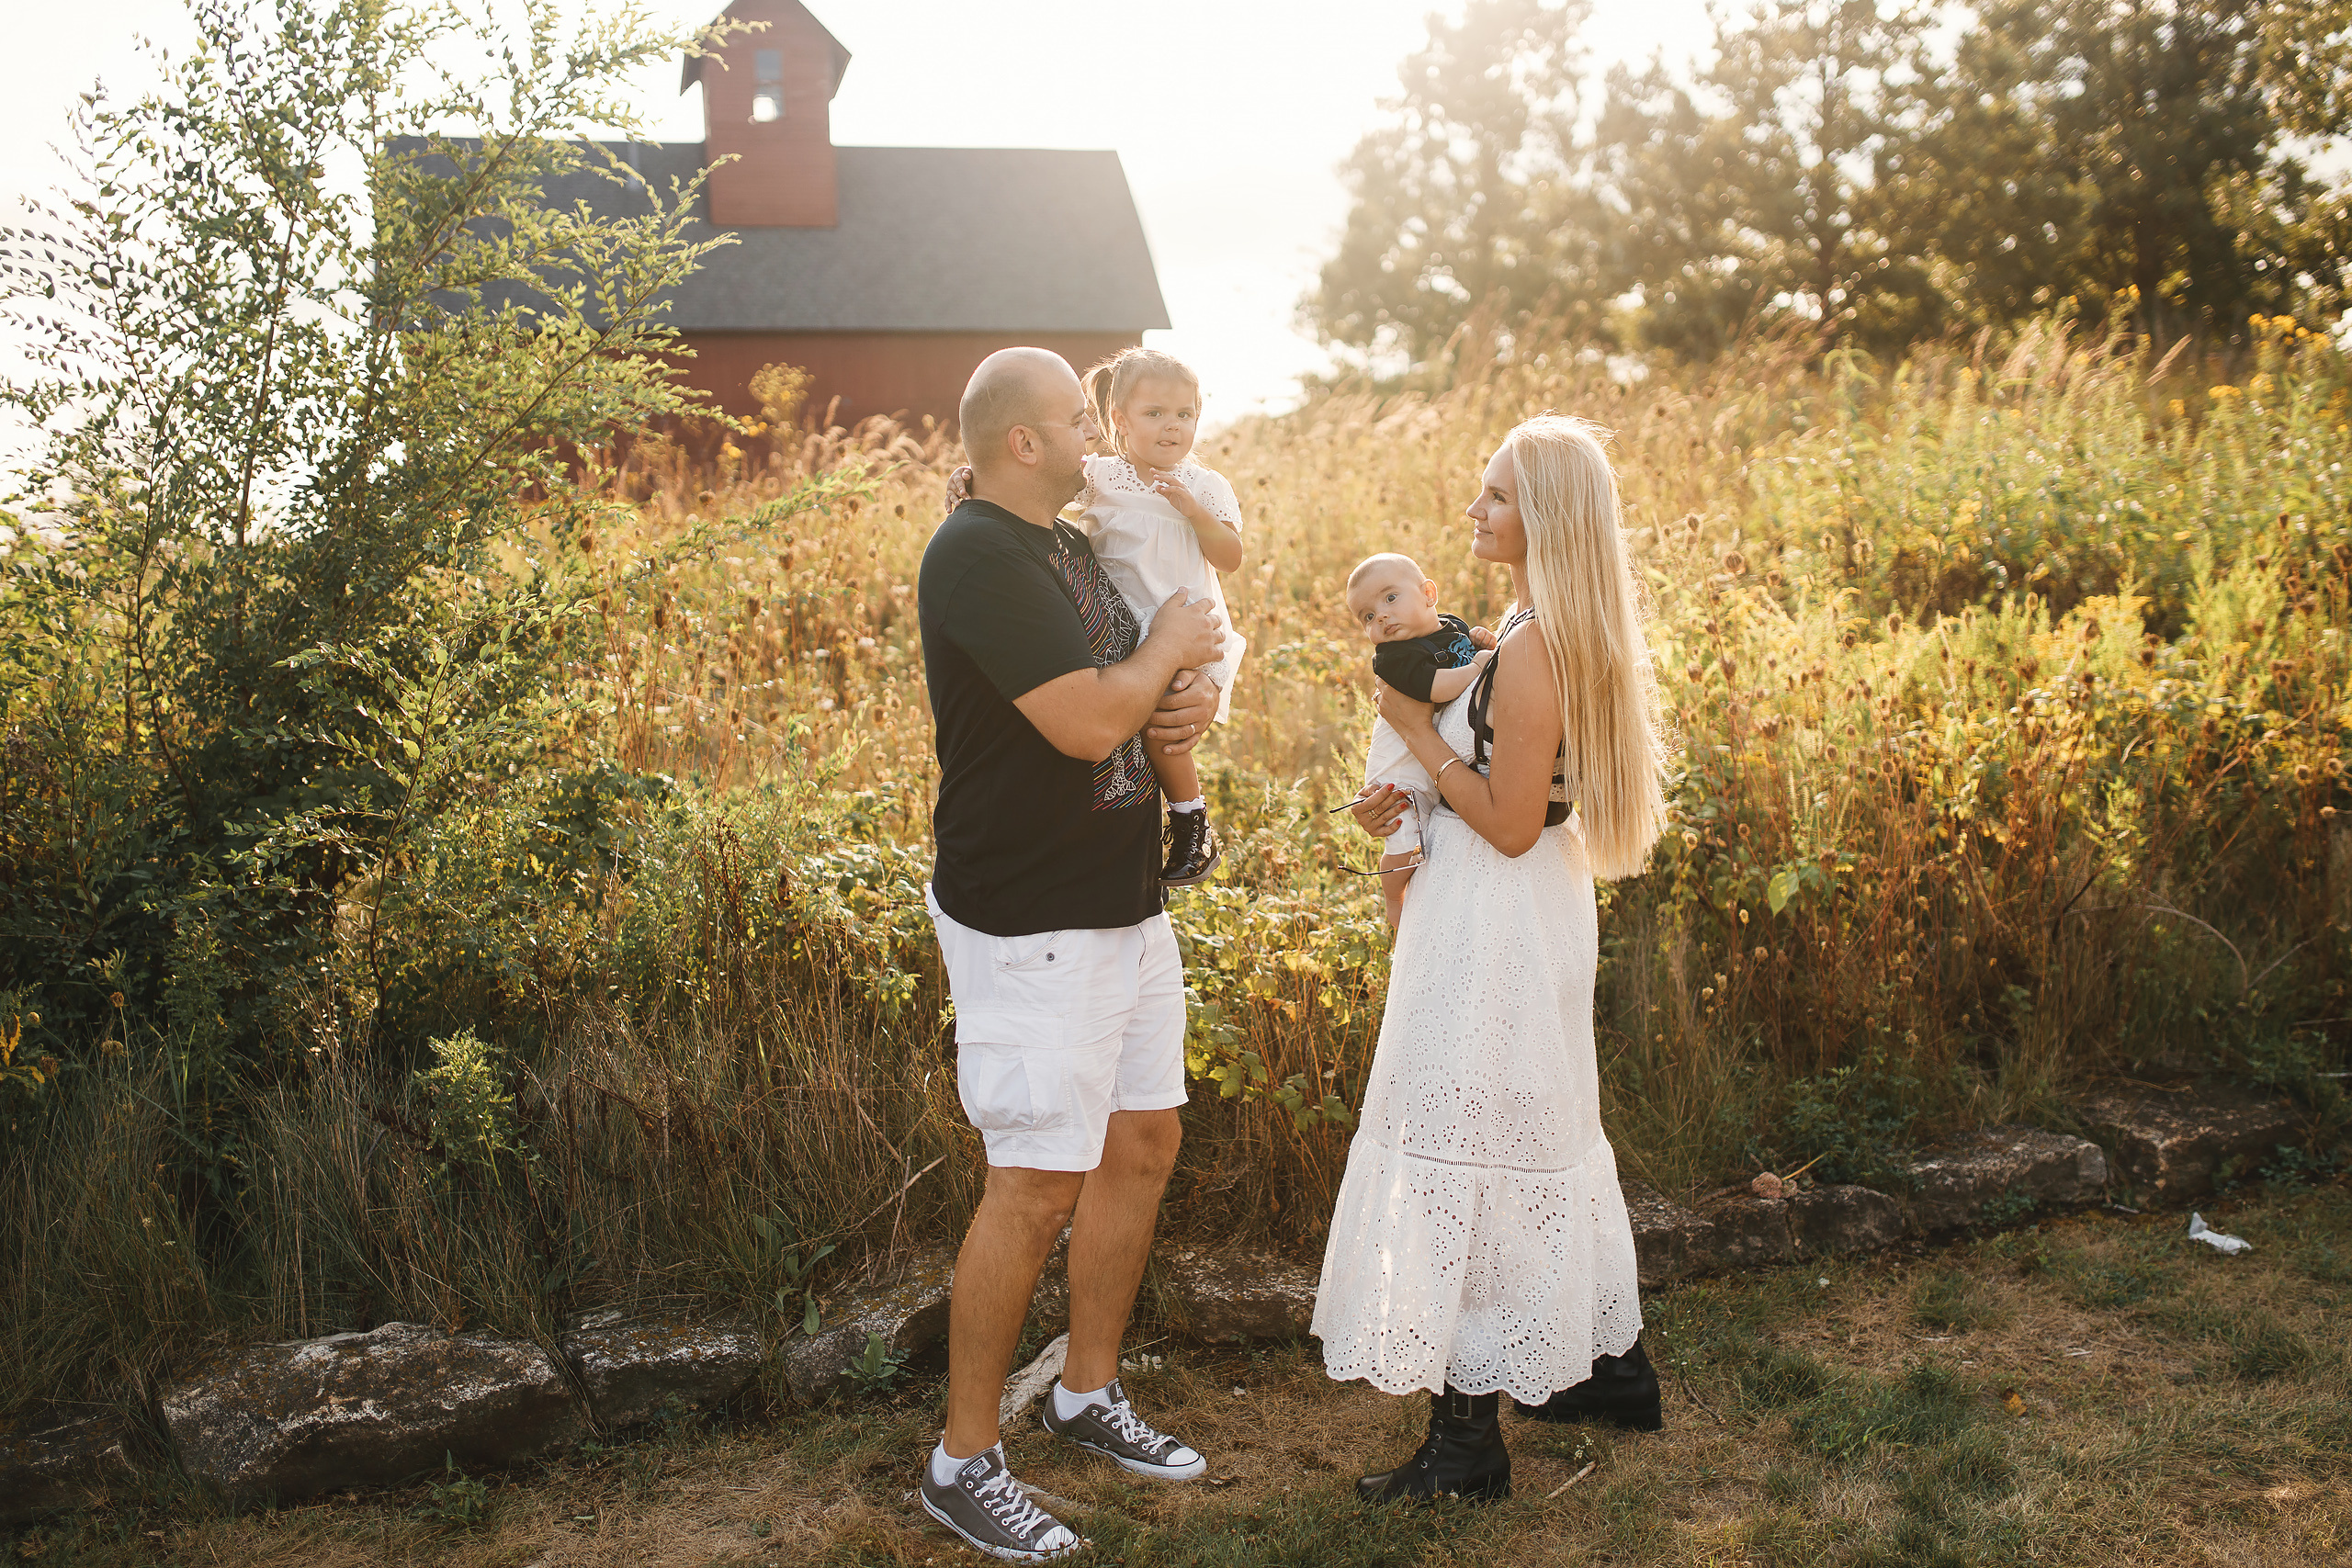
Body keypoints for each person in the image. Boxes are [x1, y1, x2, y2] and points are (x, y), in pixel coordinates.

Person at [1312, 415, 1673, 1505]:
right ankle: (1603, 1370)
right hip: (1514, 907)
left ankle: (1466, 1448)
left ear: (1546, 517)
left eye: (1495, 497)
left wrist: (1412, 736)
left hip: (1501, 912)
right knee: (1530, 1127)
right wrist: (1410, 796)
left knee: (1463, 1135)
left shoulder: (1535, 641)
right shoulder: (1529, 622)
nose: (1473, 512)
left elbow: (1511, 821)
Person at [915, 347, 1223, 1562]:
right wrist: (1156, 666)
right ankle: (963, 1459)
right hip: (1028, 919)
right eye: (1075, 418)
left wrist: (1179, 702)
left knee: (1142, 1141)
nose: (1098, 433)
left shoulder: (1071, 542)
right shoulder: (979, 551)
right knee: (1036, 1180)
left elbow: (1135, 699)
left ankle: (1089, 1391)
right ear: (1023, 442)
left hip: (1123, 894)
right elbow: (1091, 712)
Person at [948, 347, 1249, 886]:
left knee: (1165, 724)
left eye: (1185, 415)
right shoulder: (1103, 477)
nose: (1172, 427)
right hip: (1125, 628)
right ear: (1120, 421)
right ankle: (1174, 822)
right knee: (1144, 707)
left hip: (1182, 621)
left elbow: (1230, 557)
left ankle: (1191, 820)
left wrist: (1194, 513)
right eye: (1155, 414)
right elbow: (1031, 478)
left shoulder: (1205, 486)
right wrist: (974, 477)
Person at [1343, 551, 1494, 927]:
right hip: (1401, 774)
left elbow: (1465, 651)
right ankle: (1394, 895)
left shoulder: (1451, 627)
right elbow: (1439, 689)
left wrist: (1478, 640)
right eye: (1367, 616)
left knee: (1424, 839)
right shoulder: (1393, 659)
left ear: (1429, 593)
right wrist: (1479, 664)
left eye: (1390, 598)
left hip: (1432, 759)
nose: (1381, 616)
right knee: (1406, 840)